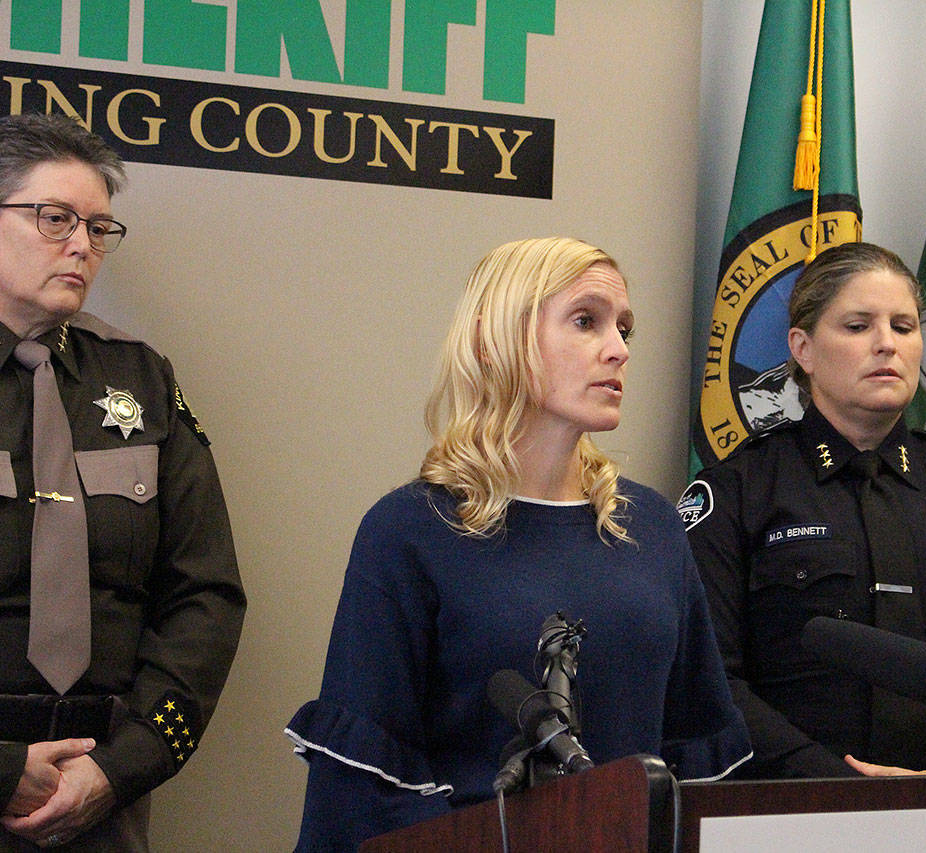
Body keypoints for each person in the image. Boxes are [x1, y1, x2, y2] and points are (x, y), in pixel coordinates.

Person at [286, 237, 751, 850]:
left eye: (624, 329)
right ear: (494, 339)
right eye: (585, 321)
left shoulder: (655, 529)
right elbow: (364, 790)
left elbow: (697, 755)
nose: (618, 349)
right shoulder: (410, 530)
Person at [681, 241, 926, 779]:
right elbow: (707, 680)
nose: (886, 344)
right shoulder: (737, 493)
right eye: (857, 326)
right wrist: (833, 785)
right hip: (795, 806)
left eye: (903, 326)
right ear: (802, 348)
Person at [0, 113, 245, 850]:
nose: (81, 245)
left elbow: (205, 593)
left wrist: (122, 767)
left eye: (98, 228)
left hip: (101, 793)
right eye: (54, 219)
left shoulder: (139, 376)